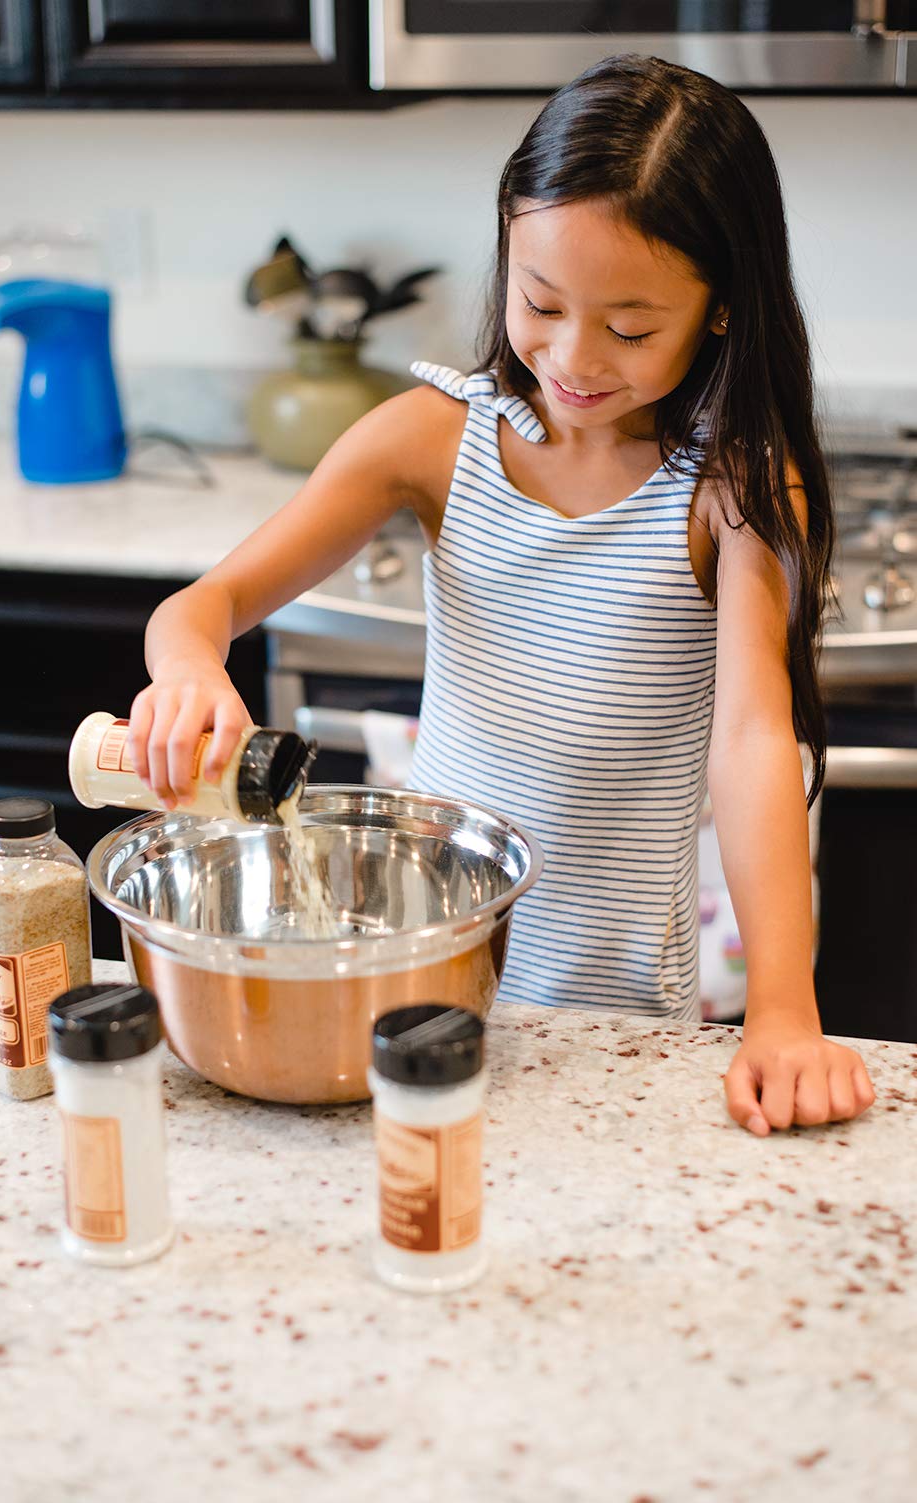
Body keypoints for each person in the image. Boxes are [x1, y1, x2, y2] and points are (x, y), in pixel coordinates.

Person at [127, 54, 875, 1137]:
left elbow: (755, 741)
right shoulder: (433, 439)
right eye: (540, 302)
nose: (571, 357)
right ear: (508, 254)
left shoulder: (734, 489)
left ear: (721, 308)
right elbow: (199, 607)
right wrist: (189, 670)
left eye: (629, 328)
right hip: (417, 973)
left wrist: (784, 1013)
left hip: (616, 1009)